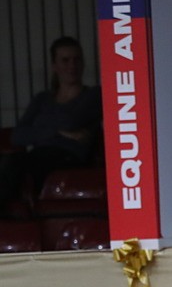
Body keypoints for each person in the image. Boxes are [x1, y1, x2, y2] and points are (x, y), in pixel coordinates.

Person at [0, 37, 102, 209]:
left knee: (17, 163)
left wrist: (40, 125)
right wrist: (59, 132)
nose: (72, 65)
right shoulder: (43, 99)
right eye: (65, 60)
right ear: (54, 66)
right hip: (39, 155)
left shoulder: (93, 95)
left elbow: (71, 121)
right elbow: (18, 136)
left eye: (77, 59)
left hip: (69, 157)